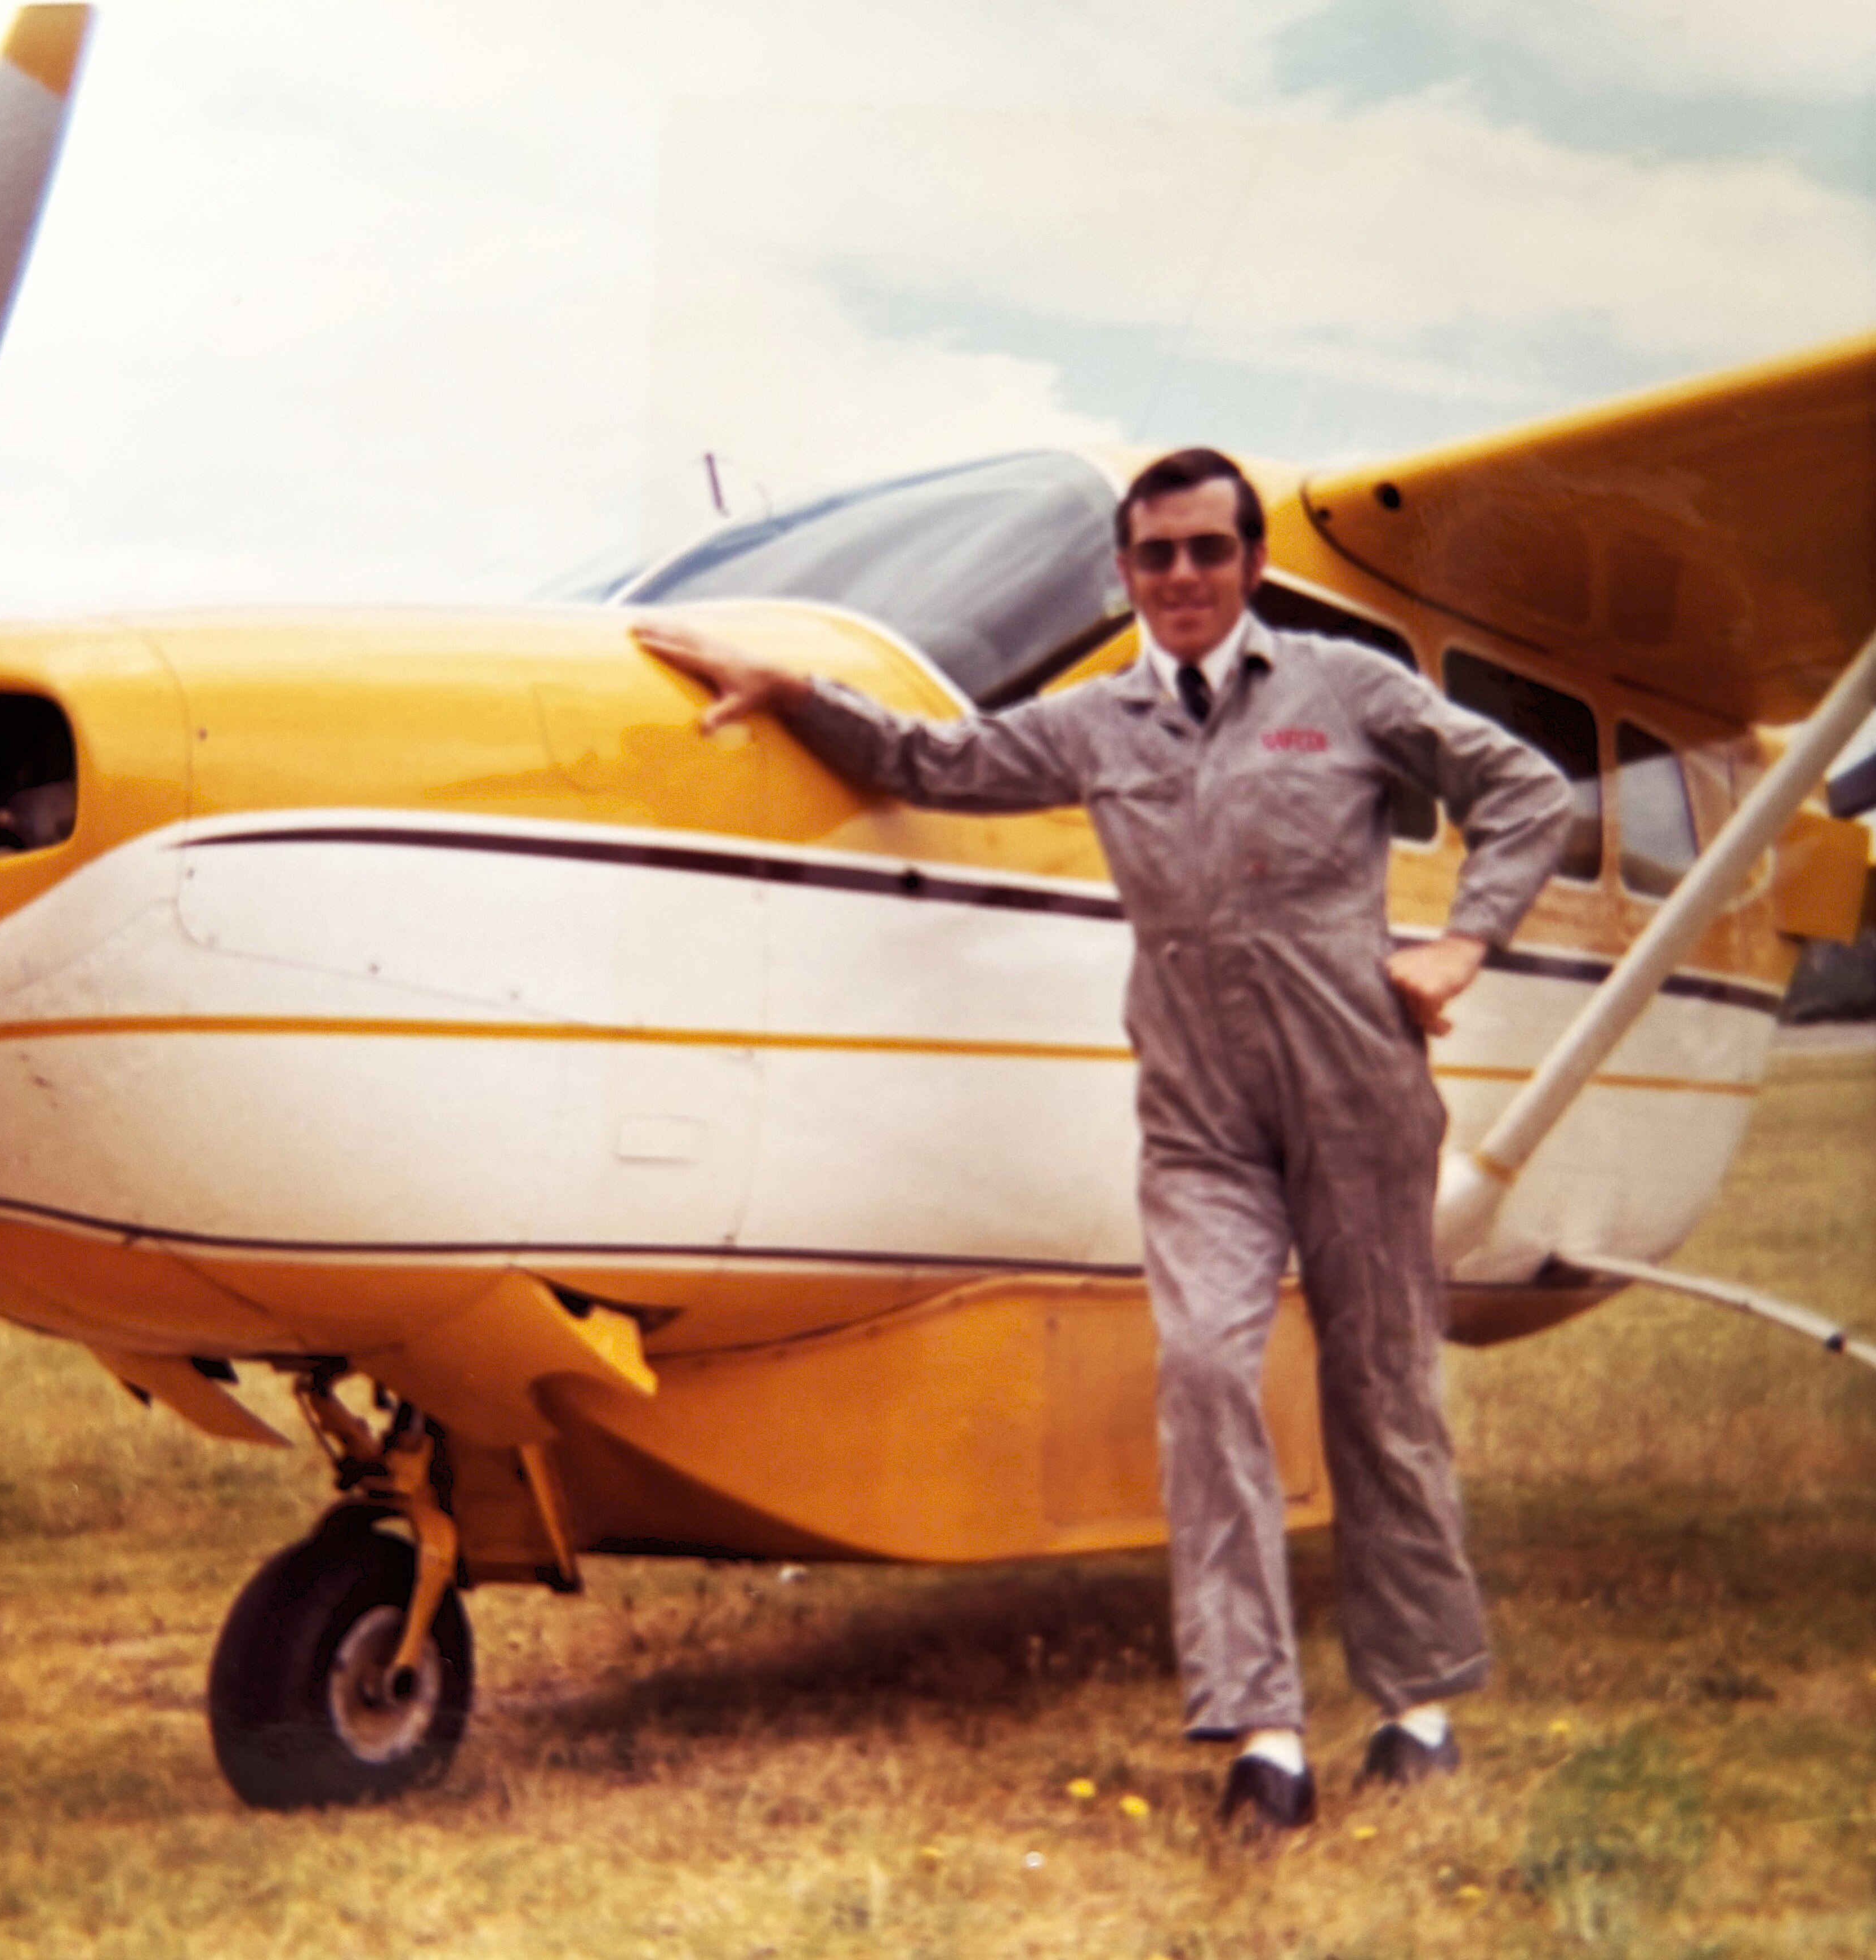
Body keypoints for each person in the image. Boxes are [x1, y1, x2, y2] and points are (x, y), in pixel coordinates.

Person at [632, 448, 1573, 1836]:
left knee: (1379, 1390)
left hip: (1358, 1098)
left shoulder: (1346, 692)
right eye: (1153, 556)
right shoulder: (1096, 724)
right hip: (1198, 1120)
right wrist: (793, 694)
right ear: (1125, 574)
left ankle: (1415, 1704)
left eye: (1206, 552)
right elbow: (928, 759)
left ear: (1248, 566)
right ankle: (1261, 1733)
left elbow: (1527, 793)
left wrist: (1460, 942)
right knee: (1202, 1377)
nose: (1181, 578)